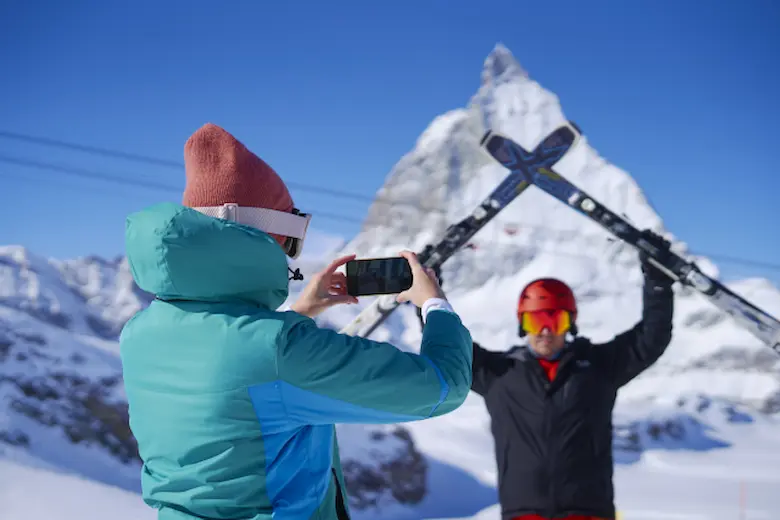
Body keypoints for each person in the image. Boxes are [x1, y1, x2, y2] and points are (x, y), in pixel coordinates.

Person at [119, 123, 473, 520]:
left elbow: (232, 374)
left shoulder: (139, 333)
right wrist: (434, 305)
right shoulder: (278, 349)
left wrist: (300, 312)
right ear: (264, 234)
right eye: (291, 237)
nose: (291, 255)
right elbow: (443, 386)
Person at [416, 234, 675, 520]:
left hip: (588, 513)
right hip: (523, 514)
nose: (545, 331)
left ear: (570, 323)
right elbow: (451, 347)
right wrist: (429, 293)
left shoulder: (600, 367)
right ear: (522, 324)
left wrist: (658, 282)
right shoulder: (499, 374)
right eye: (535, 320)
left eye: (556, 320)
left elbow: (651, 339)